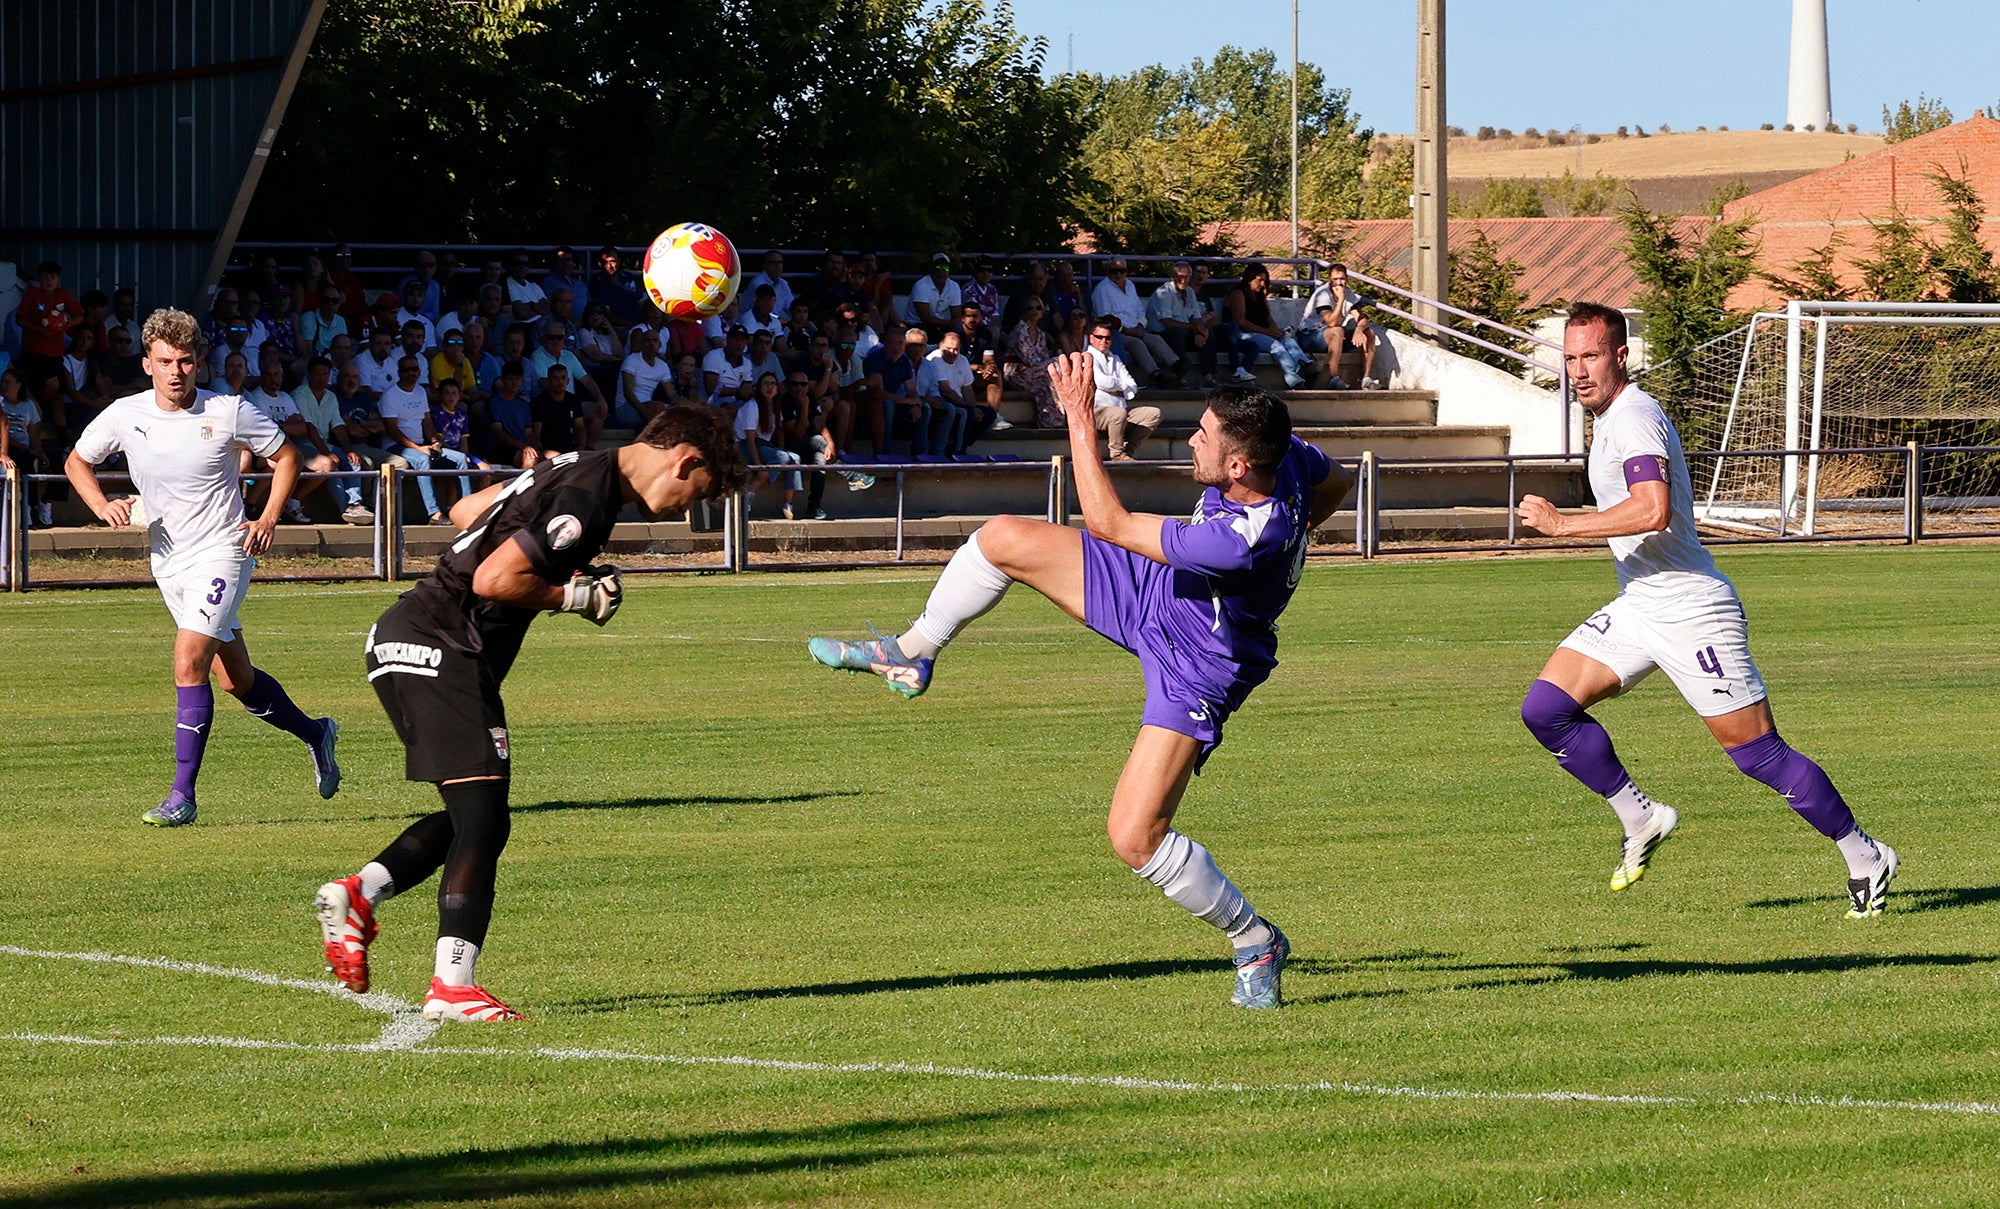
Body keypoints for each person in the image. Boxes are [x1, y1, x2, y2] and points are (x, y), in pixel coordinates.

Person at [808, 363, 1351, 1009]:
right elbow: (1336, 478)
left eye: (1204, 436)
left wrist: (1075, 409)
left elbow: (1109, 523)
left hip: (1200, 660)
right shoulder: (1286, 453)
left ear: (1238, 466)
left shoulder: (1240, 541)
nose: (1192, 441)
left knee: (1134, 834)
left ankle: (1254, 939)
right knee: (1002, 538)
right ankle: (910, 652)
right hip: (1161, 589)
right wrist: (1303, 534)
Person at [311, 407, 744, 1022]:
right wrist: (577, 594)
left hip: (404, 637)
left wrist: (565, 567)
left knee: (474, 811)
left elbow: (468, 513)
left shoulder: (575, 464)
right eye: (693, 495)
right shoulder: (589, 496)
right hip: (443, 644)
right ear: (685, 460)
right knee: (484, 819)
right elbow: (493, 578)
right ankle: (451, 985)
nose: (682, 511)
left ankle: (360, 894)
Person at [1515, 303, 1898, 916]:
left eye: (1590, 356)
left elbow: (1652, 509)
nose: (1578, 371)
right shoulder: (1612, 417)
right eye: (1570, 358)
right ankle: (1639, 816)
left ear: (1621, 356)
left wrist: (1564, 525)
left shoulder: (1634, 416)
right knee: (1547, 708)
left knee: (1759, 756)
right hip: (1643, 602)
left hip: (1692, 608)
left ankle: (1865, 854)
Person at [63, 308, 342, 826]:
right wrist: (102, 505)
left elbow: (287, 458)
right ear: (148, 363)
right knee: (236, 680)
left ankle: (181, 796)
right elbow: (76, 461)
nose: (176, 372)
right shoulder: (126, 414)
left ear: (199, 363)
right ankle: (316, 732)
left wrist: (268, 516)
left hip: (224, 551)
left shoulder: (230, 411)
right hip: (168, 560)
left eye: (186, 361)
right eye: (165, 361)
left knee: (188, 661)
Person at [292, 355, 374, 523]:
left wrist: (348, 449)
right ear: (309, 374)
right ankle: (345, 510)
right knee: (332, 465)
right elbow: (309, 428)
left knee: (353, 461)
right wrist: (326, 452)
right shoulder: (299, 394)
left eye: (325, 374)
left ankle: (355, 504)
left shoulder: (330, 396)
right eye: (317, 374)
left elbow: (338, 425)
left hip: (324, 444)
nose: (321, 378)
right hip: (303, 445)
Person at [1090, 257, 1180, 385]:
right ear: (1107, 271)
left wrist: (1141, 325)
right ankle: (1156, 375)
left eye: (1122, 270)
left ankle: (1177, 367)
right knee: (1137, 344)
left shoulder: (1130, 285)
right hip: (1117, 332)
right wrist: (1128, 331)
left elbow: (1139, 309)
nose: (1118, 274)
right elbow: (1105, 319)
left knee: (1156, 339)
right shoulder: (1102, 290)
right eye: (1114, 271)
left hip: (1136, 328)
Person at [1085, 317, 1161, 461]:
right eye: (1099, 337)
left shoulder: (1115, 358)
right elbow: (1102, 382)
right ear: (1091, 338)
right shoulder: (1087, 357)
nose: (1103, 341)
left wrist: (1120, 388)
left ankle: (1129, 450)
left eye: (1107, 338)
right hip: (1097, 411)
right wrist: (1123, 386)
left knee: (1153, 413)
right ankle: (1117, 453)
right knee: (1118, 414)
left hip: (1120, 410)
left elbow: (1133, 385)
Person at [1298, 263, 1381, 390]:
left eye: (1342, 279)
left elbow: (1362, 318)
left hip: (1332, 335)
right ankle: (1334, 378)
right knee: (1337, 330)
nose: (1339, 283)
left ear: (1346, 279)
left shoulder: (1349, 294)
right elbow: (1331, 322)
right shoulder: (1322, 294)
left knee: (1369, 332)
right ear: (1329, 280)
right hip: (1309, 336)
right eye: (1335, 279)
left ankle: (1365, 378)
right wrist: (1341, 300)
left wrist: (1359, 329)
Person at [1226, 263, 1308, 390]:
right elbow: (1242, 322)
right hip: (1244, 333)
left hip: (1263, 332)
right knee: (1276, 346)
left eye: (1265, 281)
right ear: (1249, 279)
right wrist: (1269, 333)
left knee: (1288, 341)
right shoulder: (1238, 294)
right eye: (1260, 280)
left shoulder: (1260, 296)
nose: (1263, 284)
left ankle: (1304, 362)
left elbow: (1269, 319)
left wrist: (1277, 331)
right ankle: (1292, 377)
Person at [1148, 261, 1221, 387]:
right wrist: (1194, 328)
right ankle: (1180, 375)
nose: (1183, 280)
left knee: (1208, 332)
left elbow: (1196, 318)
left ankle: (1208, 376)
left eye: (1186, 276)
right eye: (1180, 276)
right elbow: (1168, 323)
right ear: (1173, 277)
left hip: (1184, 330)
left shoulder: (1190, 292)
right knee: (1177, 333)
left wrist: (1199, 332)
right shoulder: (1164, 293)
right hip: (1161, 334)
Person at [905, 253, 961, 338]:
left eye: (945, 268)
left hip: (943, 325)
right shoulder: (921, 285)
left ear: (949, 271)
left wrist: (952, 324)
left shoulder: (954, 286)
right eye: (937, 268)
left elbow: (956, 316)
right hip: (917, 325)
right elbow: (926, 318)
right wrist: (949, 323)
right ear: (931, 269)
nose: (941, 272)